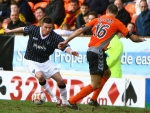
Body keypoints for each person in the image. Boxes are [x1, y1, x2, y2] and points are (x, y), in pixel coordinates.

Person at [58, 4, 145, 110]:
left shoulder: (98, 20)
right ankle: (71, 101)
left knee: (107, 73)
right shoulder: (117, 23)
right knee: (95, 84)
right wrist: (141, 40)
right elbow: (133, 38)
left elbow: (80, 30)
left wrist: (66, 40)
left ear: (106, 11)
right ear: (116, 13)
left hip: (93, 51)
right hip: (97, 52)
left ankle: (93, 99)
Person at [5, 17, 79, 106]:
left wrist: (71, 51)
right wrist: (10, 31)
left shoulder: (54, 37)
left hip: (45, 61)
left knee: (60, 81)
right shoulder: (34, 29)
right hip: (30, 60)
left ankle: (65, 102)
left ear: (52, 27)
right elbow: (23, 29)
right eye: (45, 27)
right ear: (41, 25)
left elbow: (65, 45)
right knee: (40, 76)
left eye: (50, 28)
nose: (47, 29)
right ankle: (54, 97)